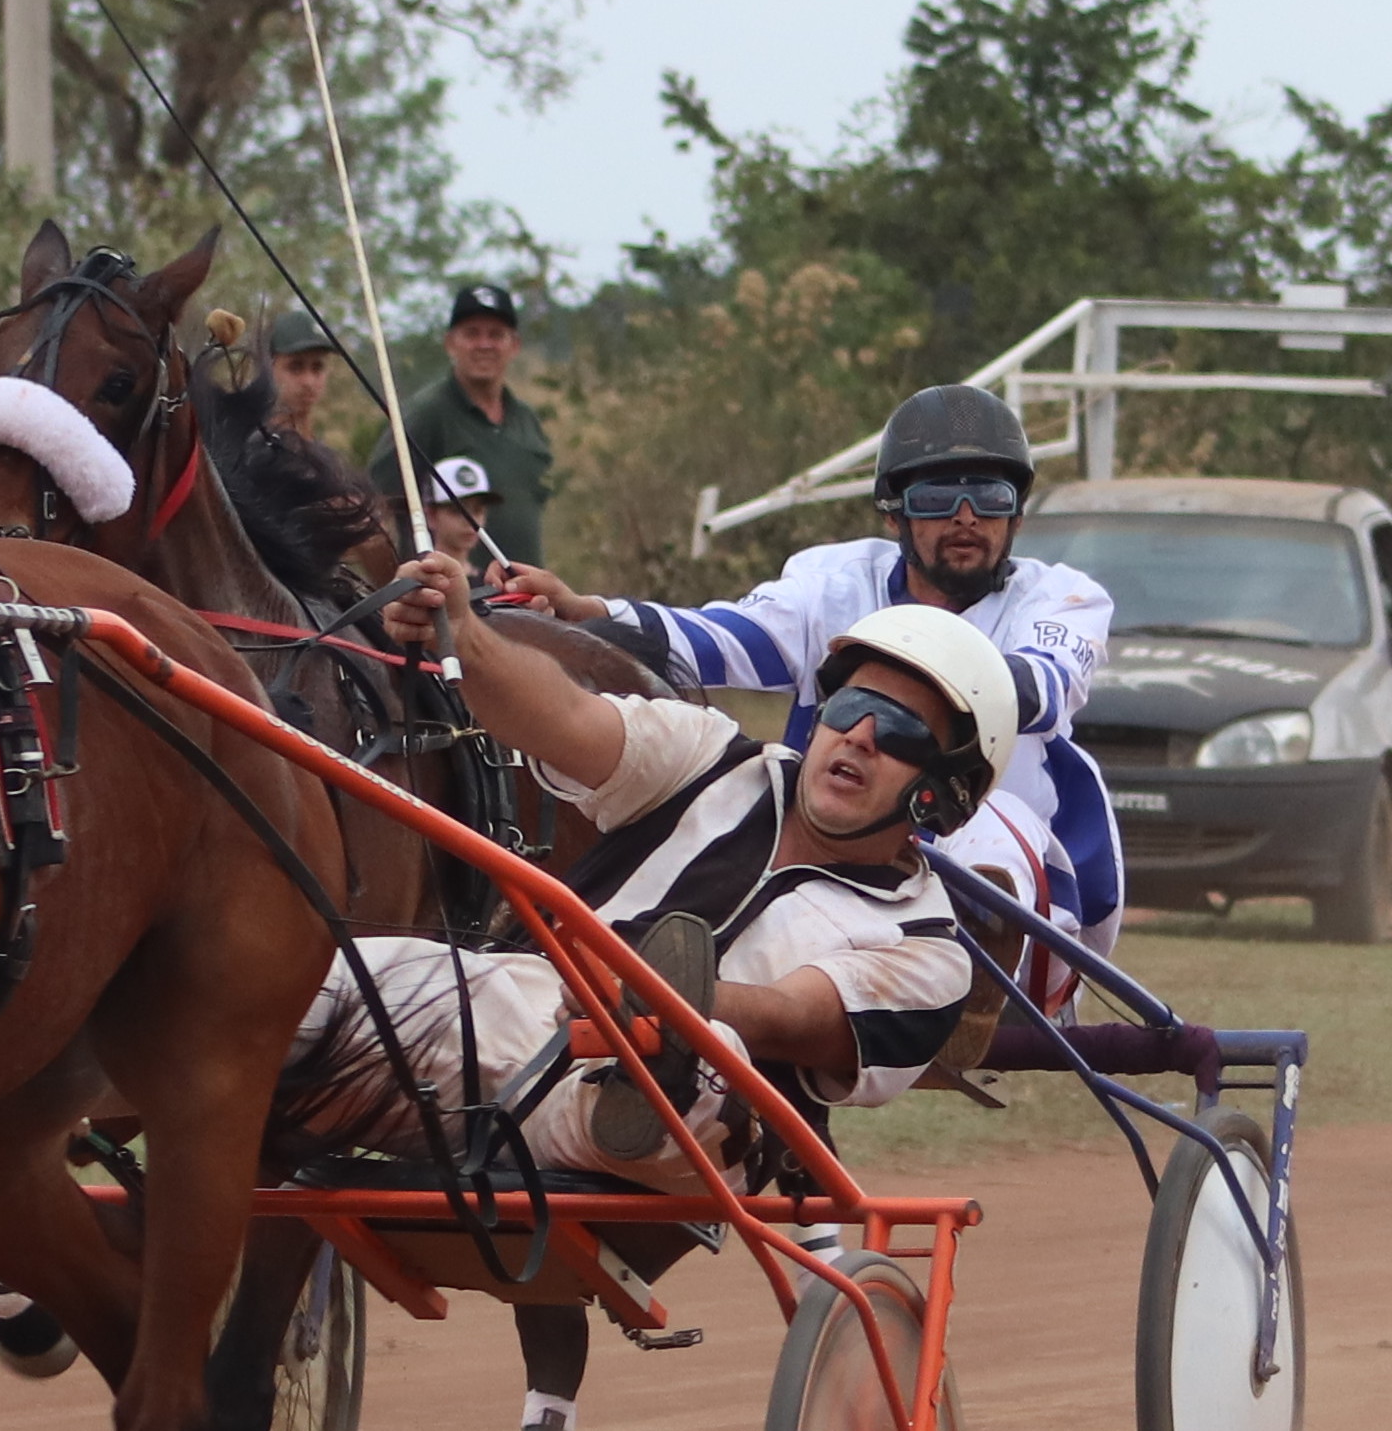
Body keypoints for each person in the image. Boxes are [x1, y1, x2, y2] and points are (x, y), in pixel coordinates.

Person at [262, 548, 989, 1431]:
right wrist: (467, 633)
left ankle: (635, 1074)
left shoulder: (925, 947)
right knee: (300, 985)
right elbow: (564, 721)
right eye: (848, 708)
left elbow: (797, 1014)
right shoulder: (711, 759)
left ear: (940, 791)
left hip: (706, 1119)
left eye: (897, 734)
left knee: (691, 1054)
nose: (856, 738)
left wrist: (672, 999)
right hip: (517, 1019)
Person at [491, 382, 1122, 972]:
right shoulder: (831, 584)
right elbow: (724, 639)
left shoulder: (1065, 599)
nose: (965, 517)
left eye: (989, 497)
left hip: (1035, 917)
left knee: (988, 824)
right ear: (893, 516)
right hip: (837, 864)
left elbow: (1040, 689)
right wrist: (591, 614)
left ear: (1017, 516)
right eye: (936, 498)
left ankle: (967, 993)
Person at [367, 280, 550, 565]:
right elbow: (374, 507)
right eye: (472, 333)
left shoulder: (526, 420)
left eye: (496, 334)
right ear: (450, 342)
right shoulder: (425, 414)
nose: (484, 344)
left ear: (514, 345)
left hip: (522, 587)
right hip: (453, 588)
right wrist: (399, 581)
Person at [259, 305, 345, 442]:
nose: (308, 382)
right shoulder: (247, 447)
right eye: (295, 367)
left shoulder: (323, 450)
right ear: (268, 368)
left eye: (317, 367)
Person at [422, 455, 505, 585]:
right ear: (431, 516)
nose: (470, 521)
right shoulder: (418, 584)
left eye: (478, 510)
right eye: (457, 511)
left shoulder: (493, 584)